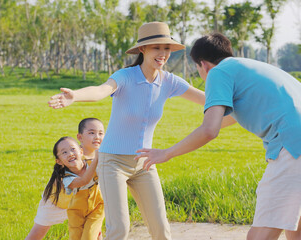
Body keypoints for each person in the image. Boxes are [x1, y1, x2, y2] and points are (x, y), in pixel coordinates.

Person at [48, 22, 233, 240]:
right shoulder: (125, 76)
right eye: (156, 48)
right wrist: (75, 96)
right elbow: (100, 91)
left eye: (166, 48)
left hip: (144, 163)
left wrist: (243, 108)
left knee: (161, 229)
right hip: (113, 162)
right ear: (143, 49)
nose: (162, 54)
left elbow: (209, 101)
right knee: (120, 229)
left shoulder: (169, 81)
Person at [135, 33, 301, 240]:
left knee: (261, 233)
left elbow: (209, 130)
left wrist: (166, 153)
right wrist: (197, 131)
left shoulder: (218, 73)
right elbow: (227, 120)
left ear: (203, 65)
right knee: (295, 227)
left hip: (293, 147)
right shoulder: (247, 66)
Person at [25, 118, 104, 240]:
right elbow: (84, 180)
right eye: (91, 133)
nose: (96, 137)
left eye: (100, 133)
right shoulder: (70, 166)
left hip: (80, 204)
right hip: (57, 202)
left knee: (93, 230)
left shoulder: (95, 154)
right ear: (80, 137)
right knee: (36, 234)